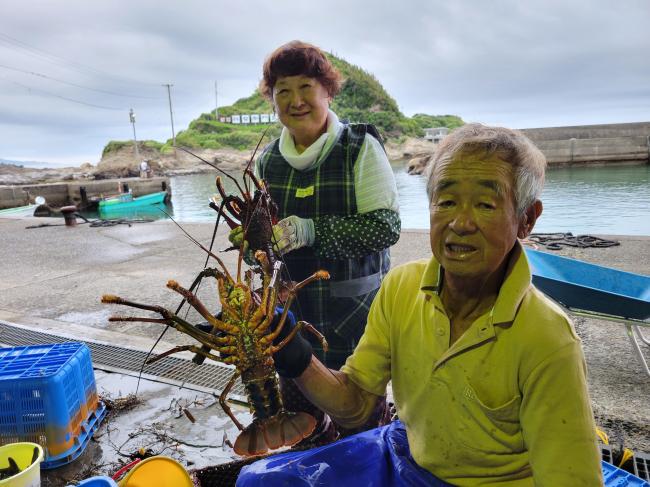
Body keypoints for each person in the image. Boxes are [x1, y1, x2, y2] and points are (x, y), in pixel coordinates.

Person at [241, 123, 603, 485]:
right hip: (407, 456)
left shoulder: (548, 336)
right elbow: (355, 405)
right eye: (446, 201)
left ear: (526, 219)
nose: (460, 223)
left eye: (484, 204)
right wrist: (296, 355)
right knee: (259, 480)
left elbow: (572, 479)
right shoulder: (402, 286)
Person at [229, 40, 400, 444]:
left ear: (327, 89)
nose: (295, 100)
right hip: (293, 324)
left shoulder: (360, 147)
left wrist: (311, 230)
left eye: (305, 87)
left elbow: (385, 227)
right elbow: (266, 253)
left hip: (356, 321)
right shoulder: (268, 161)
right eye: (282, 91)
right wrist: (251, 244)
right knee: (304, 429)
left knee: (361, 427)